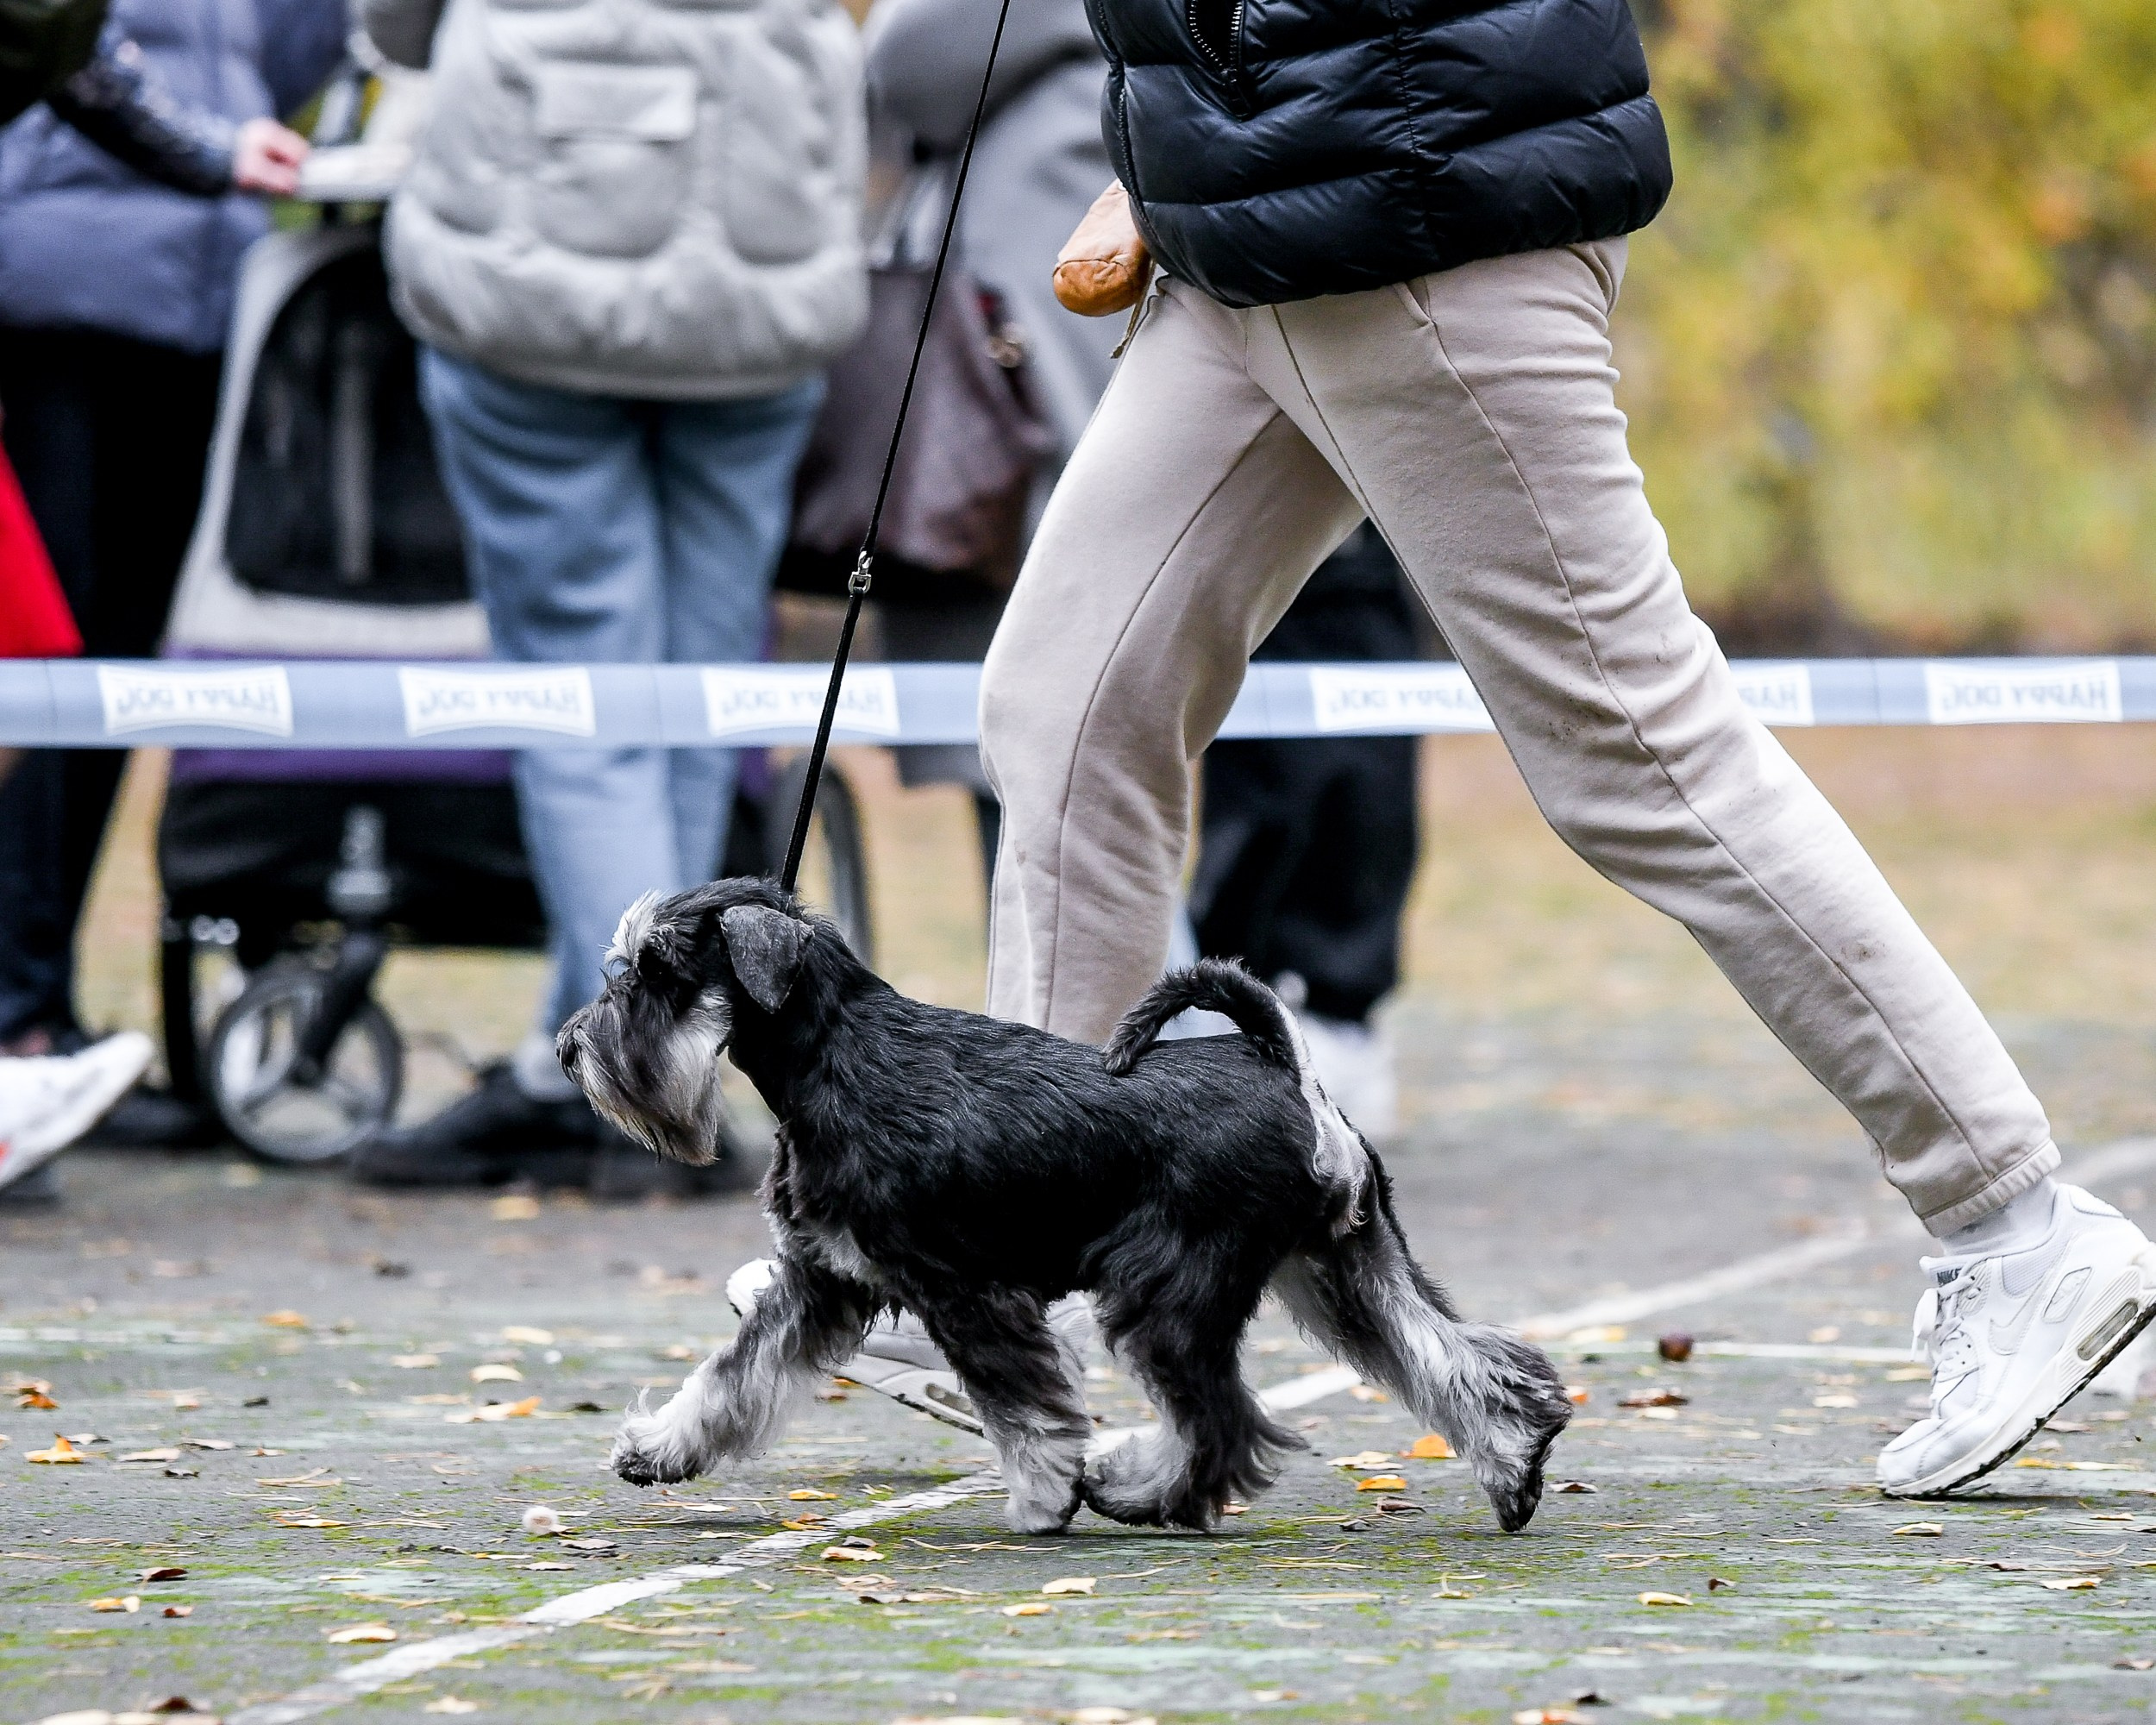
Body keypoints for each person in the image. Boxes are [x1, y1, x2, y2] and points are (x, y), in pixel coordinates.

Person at [963, 0, 2153, 1496]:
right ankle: (1025, 1274)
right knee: (1065, 704)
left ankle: (2014, 1222)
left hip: (1402, 191)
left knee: (1634, 749)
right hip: (1247, 209)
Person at [350, 0, 868, 1189]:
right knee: (692, 697)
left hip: (532, 284)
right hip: (757, 291)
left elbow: (398, 24)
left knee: (583, 692)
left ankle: (626, 1085)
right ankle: (590, 1060)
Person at [0, 0, 340, 1132]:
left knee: (111, 670)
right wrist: (200, 147)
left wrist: (226, 145)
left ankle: (36, 1012)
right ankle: (20, 1016)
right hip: (49, 279)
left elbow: (301, 42)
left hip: (201, 289)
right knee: (43, 657)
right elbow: (56, 50)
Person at [861, 0, 1121, 891]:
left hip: (1027, 422)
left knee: (1057, 789)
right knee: (1060, 788)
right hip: (1058, 395)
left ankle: (1134, 1031)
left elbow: (907, 62)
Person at [1189, 524, 1420, 1135]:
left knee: (1361, 799)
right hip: (1250, 566)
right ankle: (1231, 1010)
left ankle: (1337, 1022)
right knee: (1257, 800)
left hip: (1354, 564)